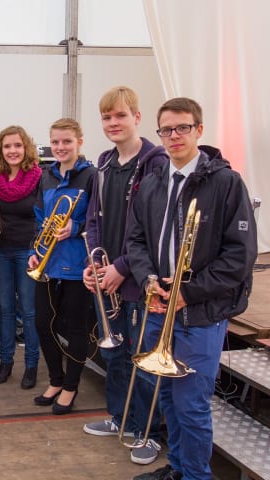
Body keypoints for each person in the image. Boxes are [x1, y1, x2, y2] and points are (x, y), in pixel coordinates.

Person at [129, 97, 256, 480]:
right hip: (159, 303)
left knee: (191, 404)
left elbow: (240, 255)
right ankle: (180, 468)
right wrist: (149, 279)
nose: (174, 136)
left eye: (182, 127)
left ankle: (197, 476)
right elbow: (135, 242)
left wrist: (190, 292)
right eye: (166, 129)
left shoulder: (226, 182)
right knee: (167, 396)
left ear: (199, 129)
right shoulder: (152, 183)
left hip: (200, 311)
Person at [80, 86, 168, 466]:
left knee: (144, 359)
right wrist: (96, 262)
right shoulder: (103, 162)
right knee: (112, 351)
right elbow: (93, 218)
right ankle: (121, 419)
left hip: (138, 279)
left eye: (120, 115)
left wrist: (120, 267)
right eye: (106, 117)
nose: (113, 123)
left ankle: (151, 432)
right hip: (109, 275)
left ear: (137, 117)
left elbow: (150, 226)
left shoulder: (155, 162)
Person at [30, 118, 96, 415]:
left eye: (67, 141)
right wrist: (35, 249)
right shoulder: (46, 176)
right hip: (47, 263)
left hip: (77, 264)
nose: (60, 147)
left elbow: (100, 219)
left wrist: (77, 225)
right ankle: (56, 379)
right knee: (43, 324)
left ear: (79, 142)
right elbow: (39, 217)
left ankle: (70, 386)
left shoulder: (92, 176)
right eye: (55, 142)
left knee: (76, 328)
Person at [0, 126, 41, 389]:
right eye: (7, 146)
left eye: (17, 146)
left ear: (26, 147)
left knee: (29, 312)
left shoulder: (38, 178)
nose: (12, 151)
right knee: (6, 310)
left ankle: (31, 365)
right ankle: (5, 362)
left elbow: (43, 217)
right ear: (0, 150)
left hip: (27, 252)